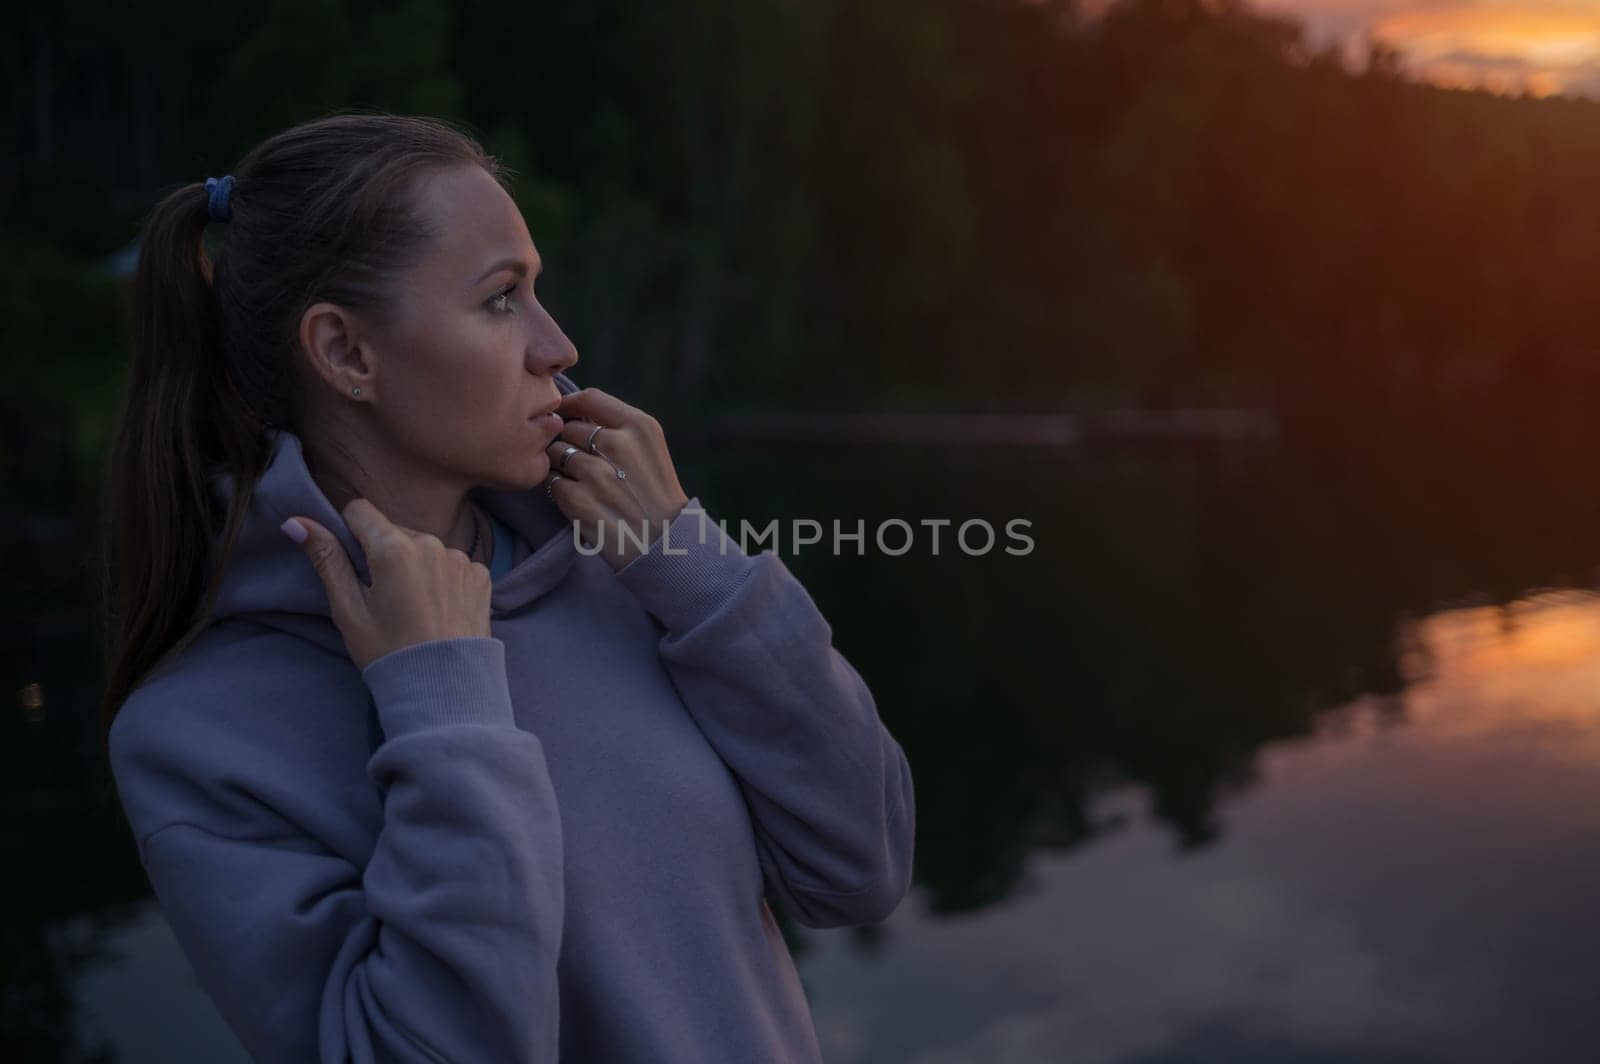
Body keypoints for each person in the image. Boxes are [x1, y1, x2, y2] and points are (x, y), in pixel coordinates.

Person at [97, 111, 916, 1062]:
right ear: (346, 354)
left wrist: (698, 567)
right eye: (500, 299)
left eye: (540, 293)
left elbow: (861, 868)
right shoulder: (200, 734)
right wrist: (443, 704)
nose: (557, 344)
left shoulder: (625, 576)